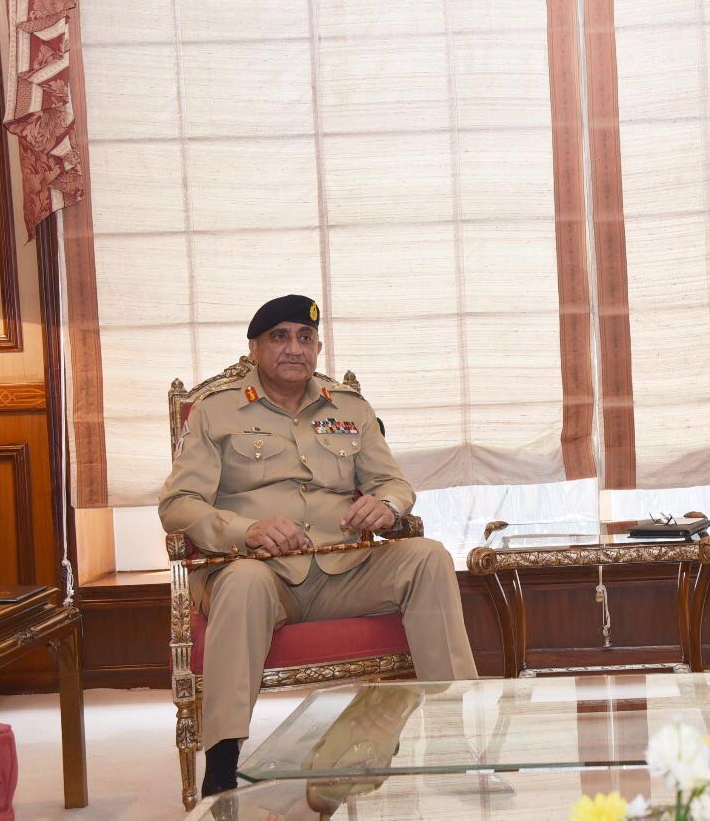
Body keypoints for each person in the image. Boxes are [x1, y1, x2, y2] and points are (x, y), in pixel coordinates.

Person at [159, 294, 477, 797]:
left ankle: (451, 741)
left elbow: (395, 483)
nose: (294, 348)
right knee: (242, 583)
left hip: (342, 568)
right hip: (257, 572)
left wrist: (386, 508)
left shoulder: (349, 409)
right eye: (279, 337)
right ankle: (221, 769)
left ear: (318, 346)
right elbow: (178, 504)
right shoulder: (214, 412)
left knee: (429, 557)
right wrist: (247, 531)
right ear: (256, 347)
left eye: (305, 337)